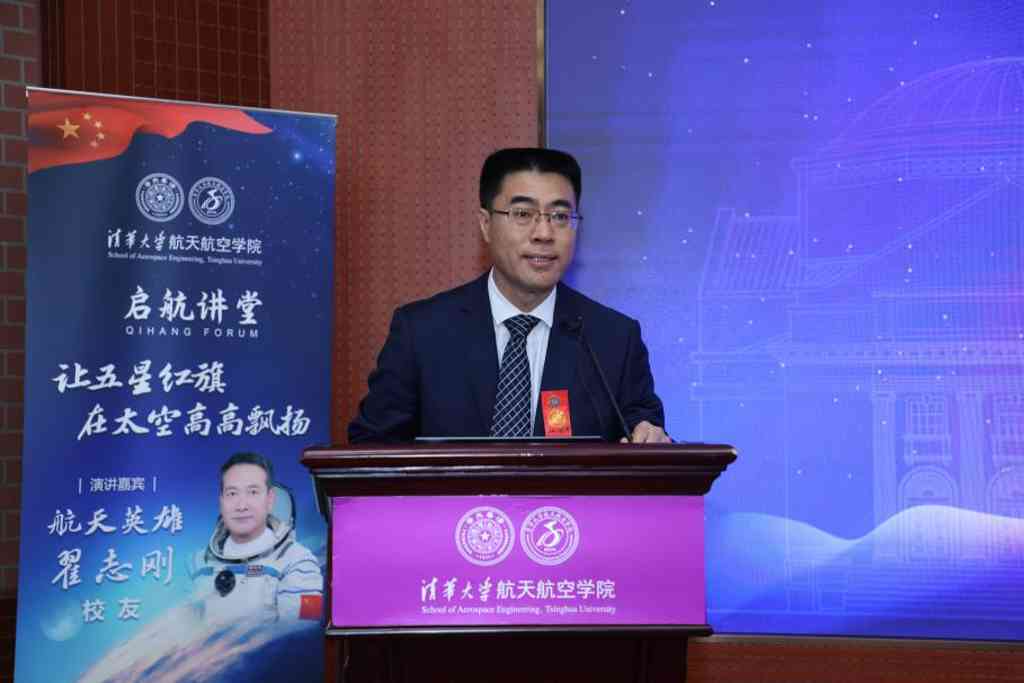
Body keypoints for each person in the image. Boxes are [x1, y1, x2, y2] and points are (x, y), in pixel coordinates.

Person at [348, 147, 670, 443]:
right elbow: (370, 450)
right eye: (523, 214)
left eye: (560, 216)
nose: (543, 233)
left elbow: (646, 437)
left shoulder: (614, 340)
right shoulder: (422, 333)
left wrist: (649, 437)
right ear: (486, 224)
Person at [188, 452, 323, 624]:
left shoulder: (298, 562)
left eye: (253, 492)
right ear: (221, 501)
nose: (241, 506)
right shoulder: (197, 562)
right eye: (232, 493)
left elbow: (304, 629)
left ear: (270, 499)